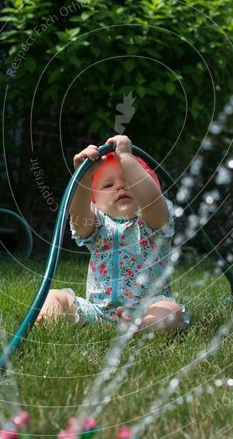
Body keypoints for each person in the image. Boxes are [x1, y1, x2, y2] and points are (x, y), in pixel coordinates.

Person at [38, 135, 189, 332]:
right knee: (54, 296)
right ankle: (49, 320)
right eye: (108, 185)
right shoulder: (97, 225)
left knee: (170, 310)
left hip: (147, 309)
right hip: (98, 312)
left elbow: (151, 200)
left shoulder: (153, 221)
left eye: (129, 181)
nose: (120, 186)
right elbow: (79, 217)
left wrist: (126, 157)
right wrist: (82, 177)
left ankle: (142, 327)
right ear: (96, 200)